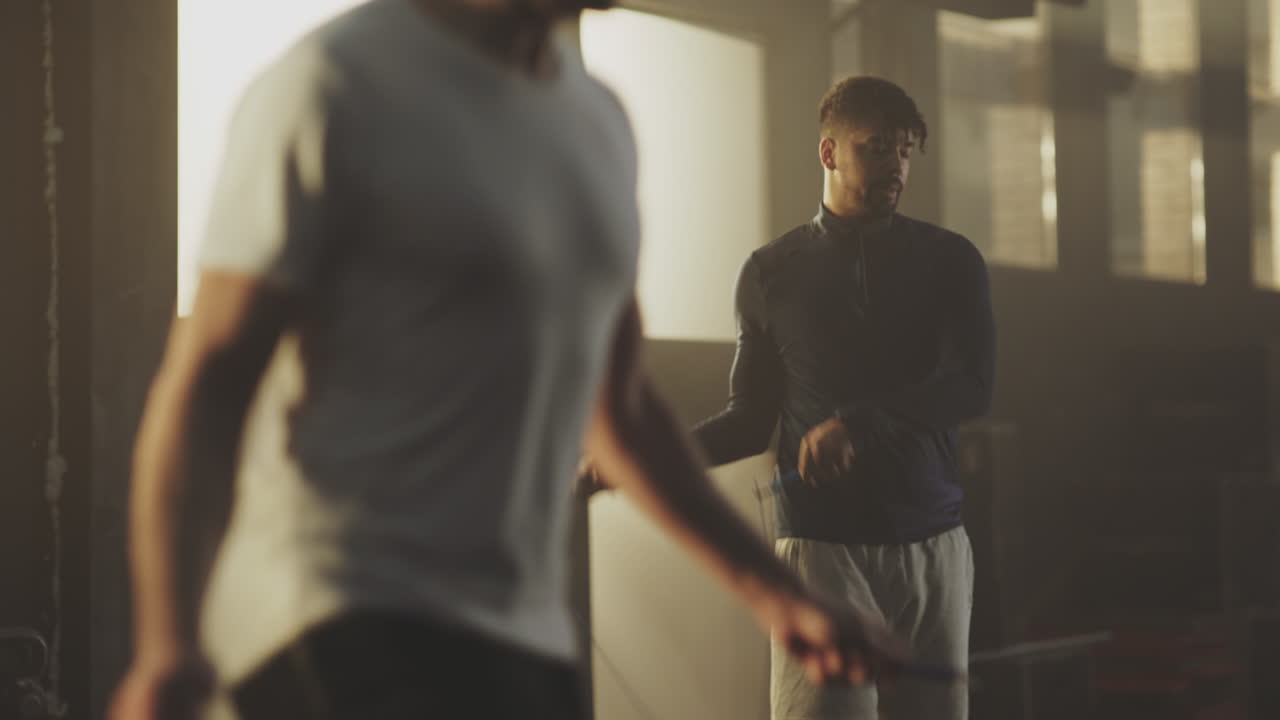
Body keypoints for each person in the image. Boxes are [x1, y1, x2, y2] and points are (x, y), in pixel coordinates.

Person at [107, 4, 909, 720]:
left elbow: (620, 410)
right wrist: (167, 647)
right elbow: (208, 383)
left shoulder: (595, 121)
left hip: (520, 631)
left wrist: (781, 600)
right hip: (337, 614)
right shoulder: (337, 83)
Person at [688, 75, 996, 720]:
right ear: (829, 153)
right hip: (821, 553)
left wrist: (858, 423)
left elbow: (971, 385)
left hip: (932, 539)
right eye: (876, 147)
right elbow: (749, 422)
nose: (896, 165)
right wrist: (642, 461)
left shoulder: (951, 259)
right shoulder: (770, 271)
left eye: (905, 149)